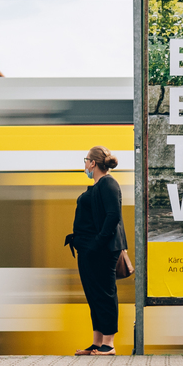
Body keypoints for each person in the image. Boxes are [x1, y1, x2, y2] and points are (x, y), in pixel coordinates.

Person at [67, 146, 128, 355]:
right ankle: (97, 342)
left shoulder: (109, 183)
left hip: (103, 250)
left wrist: (96, 243)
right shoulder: (96, 186)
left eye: (86, 161)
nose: (84, 165)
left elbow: (113, 216)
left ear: (93, 163)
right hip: (89, 250)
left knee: (105, 293)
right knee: (94, 295)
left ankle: (108, 344)